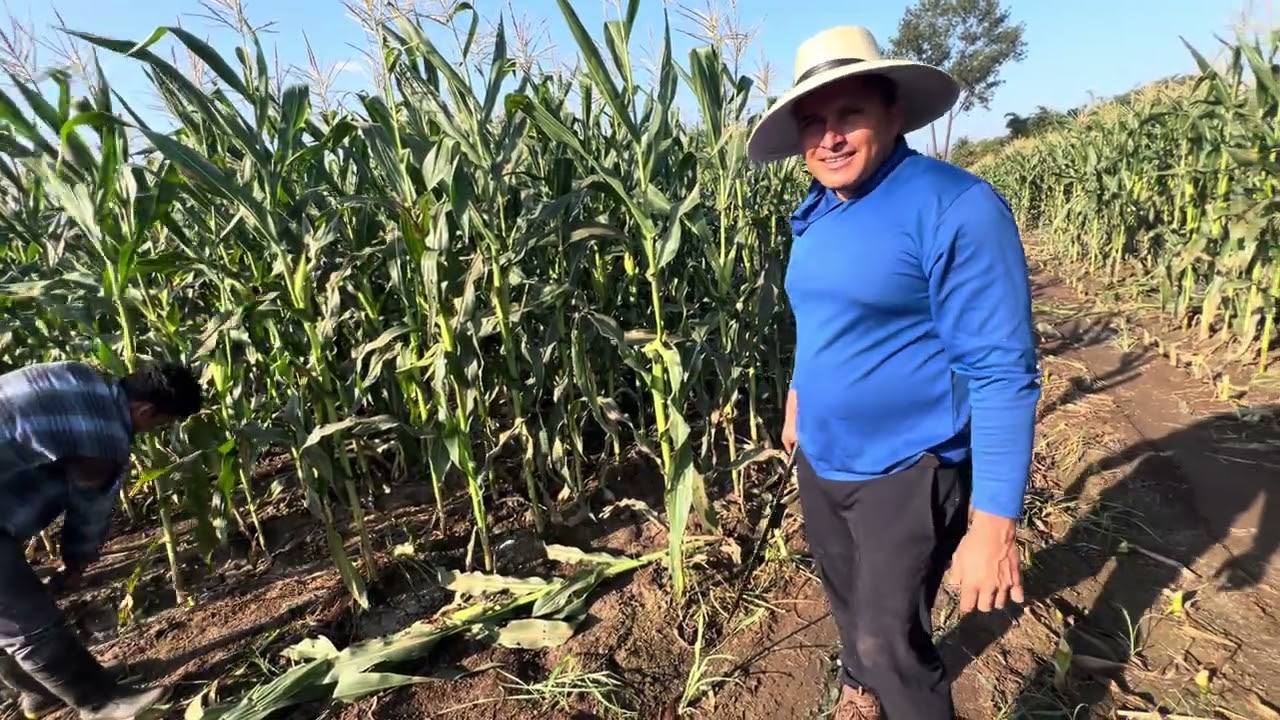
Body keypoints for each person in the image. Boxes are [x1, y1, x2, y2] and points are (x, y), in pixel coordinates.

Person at [747, 26, 1041, 720]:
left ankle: (896, 693)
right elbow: (821, 319)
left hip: (910, 467)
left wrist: (994, 525)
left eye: (849, 114)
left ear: (894, 113)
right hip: (824, 455)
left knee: (887, 640)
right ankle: (861, 694)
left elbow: (1003, 372)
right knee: (846, 599)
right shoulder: (821, 214)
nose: (830, 137)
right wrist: (798, 397)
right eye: (813, 121)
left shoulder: (953, 207)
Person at [0, 359, 203, 719]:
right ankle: (102, 703)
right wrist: (75, 564)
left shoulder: (75, 373)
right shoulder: (105, 437)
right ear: (146, 409)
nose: (150, 432)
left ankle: (42, 690)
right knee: (27, 618)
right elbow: (88, 512)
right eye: (158, 425)